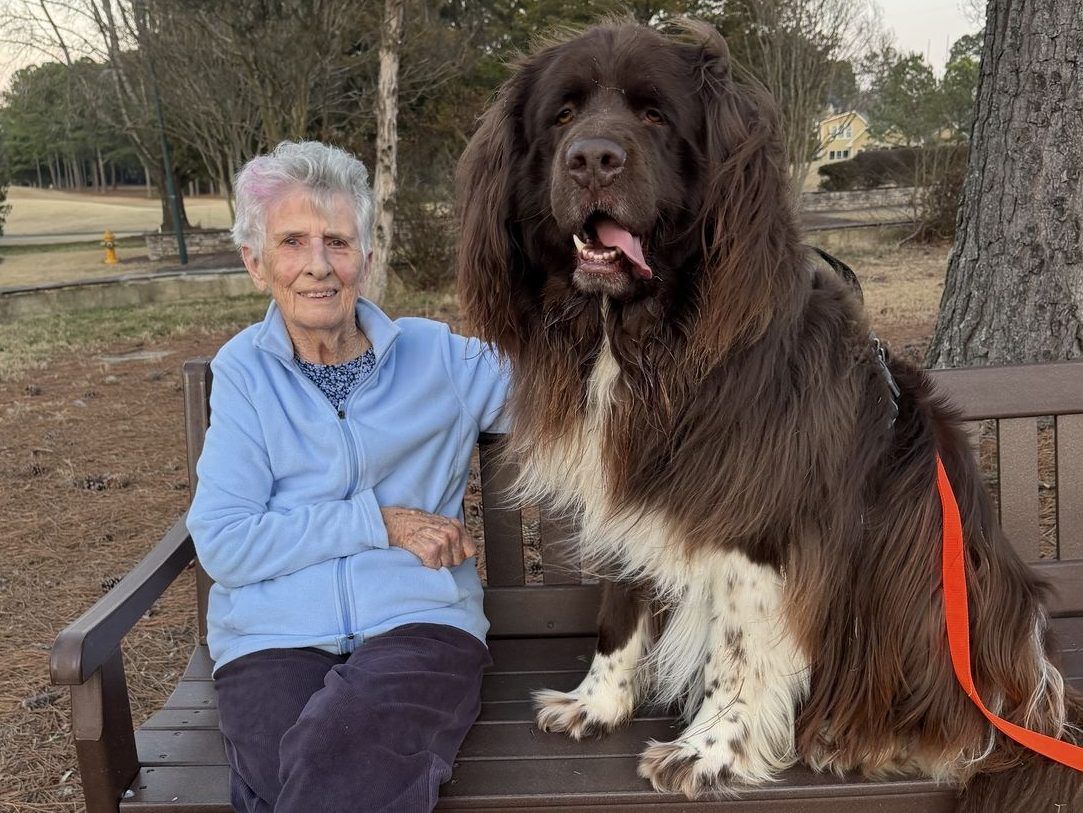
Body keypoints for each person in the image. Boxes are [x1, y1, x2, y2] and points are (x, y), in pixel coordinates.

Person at [187, 140, 509, 813]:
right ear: (255, 261)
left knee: (328, 763)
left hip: (418, 623)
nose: (317, 266)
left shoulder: (438, 356)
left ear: (365, 254)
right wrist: (378, 523)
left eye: (336, 240)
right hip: (272, 636)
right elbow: (224, 540)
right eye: (292, 242)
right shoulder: (244, 373)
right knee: (311, 772)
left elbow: (571, 395)